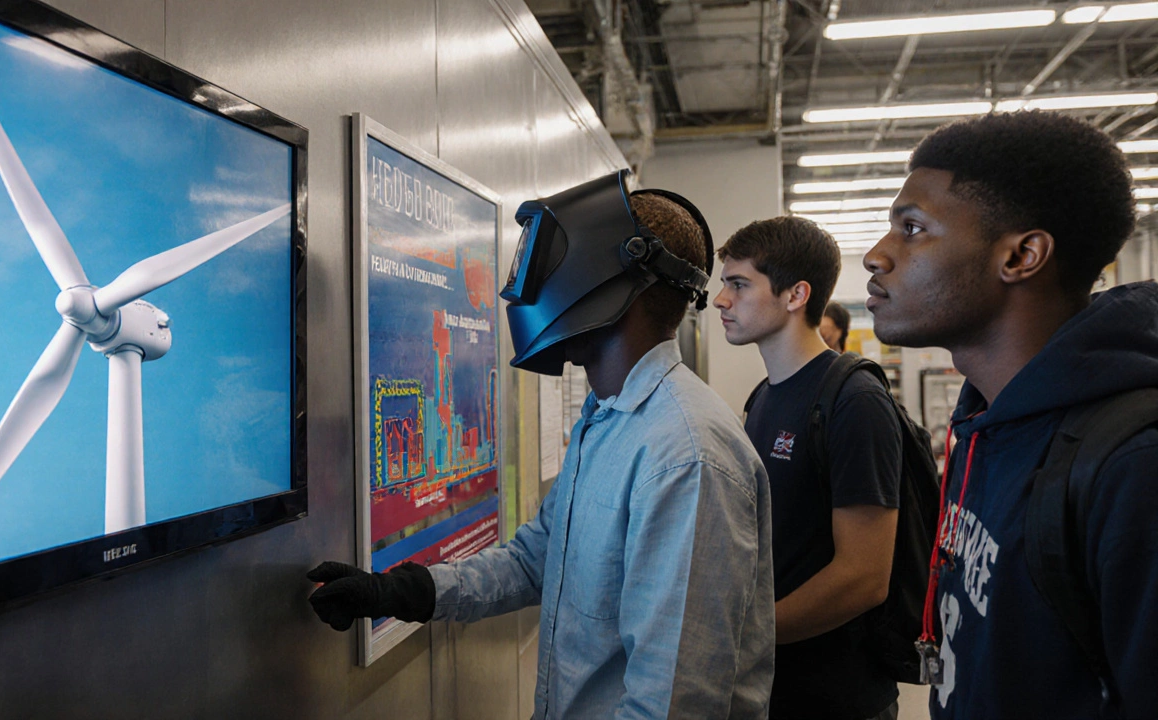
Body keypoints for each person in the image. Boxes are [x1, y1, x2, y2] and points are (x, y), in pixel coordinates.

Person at [308, 170, 775, 719]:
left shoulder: (684, 455)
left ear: (608, 279)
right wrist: (398, 594)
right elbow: (536, 559)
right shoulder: (606, 417)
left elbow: (674, 704)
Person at [862, 110, 1158, 718]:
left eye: (912, 228)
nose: (876, 256)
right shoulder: (982, 424)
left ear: (1021, 256)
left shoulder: (1133, 467)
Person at [712, 216, 903, 720]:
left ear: (796, 295)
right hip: (773, 688)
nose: (720, 300)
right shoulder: (765, 397)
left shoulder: (854, 400)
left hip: (838, 697)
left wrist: (748, 637)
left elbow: (864, 576)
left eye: (738, 284)